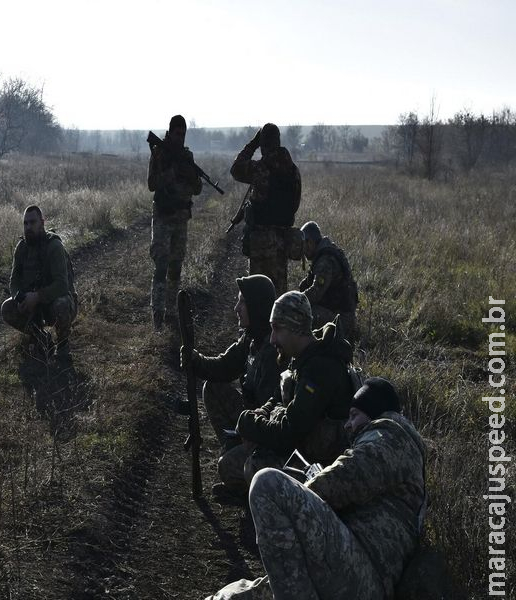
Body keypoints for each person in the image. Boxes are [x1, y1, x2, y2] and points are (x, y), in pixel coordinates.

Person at [205, 377, 426, 600]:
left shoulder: (390, 436)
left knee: (267, 483)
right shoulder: (393, 444)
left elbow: (337, 484)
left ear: (373, 412)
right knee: (234, 595)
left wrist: (298, 495)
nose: (348, 425)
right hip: (346, 566)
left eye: (354, 415)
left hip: (361, 572)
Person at [180, 275, 282, 503]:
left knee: (226, 467)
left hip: (267, 434)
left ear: (256, 306)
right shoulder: (251, 339)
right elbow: (223, 368)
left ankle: (252, 486)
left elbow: (275, 418)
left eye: (242, 302)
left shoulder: (271, 354)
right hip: (251, 422)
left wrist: (252, 438)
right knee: (213, 388)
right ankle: (234, 447)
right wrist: (195, 360)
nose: (236, 308)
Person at [235, 291, 353, 487]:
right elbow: (279, 396)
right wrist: (262, 412)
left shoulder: (319, 370)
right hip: (302, 450)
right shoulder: (302, 358)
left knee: (253, 466)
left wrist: (247, 423)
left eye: (277, 329)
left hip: (324, 468)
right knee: (233, 462)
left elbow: (288, 434)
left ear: (297, 329)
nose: (272, 339)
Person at [230, 123, 301, 296]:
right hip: (283, 240)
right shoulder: (293, 171)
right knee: (278, 293)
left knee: (258, 294)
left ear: (263, 145)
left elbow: (236, 169)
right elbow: (295, 204)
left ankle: (257, 323)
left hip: (261, 240)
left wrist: (251, 145)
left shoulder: (261, 168)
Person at [147, 114, 203, 331]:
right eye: (177, 133)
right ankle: (158, 316)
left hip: (180, 218)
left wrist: (190, 175)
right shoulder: (159, 153)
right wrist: (170, 173)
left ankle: (171, 312)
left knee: (175, 268)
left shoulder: (187, 156)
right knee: (160, 266)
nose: (180, 137)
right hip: (162, 216)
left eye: (183, 133)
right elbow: (151, 184)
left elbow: (197, 189)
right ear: (170, 132)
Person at [1, 205, 78, 359]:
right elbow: (14, 281)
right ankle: (41, 337)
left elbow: (62, 285)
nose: (28, 227)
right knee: (7, 308)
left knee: (61, 304)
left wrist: (37, 297)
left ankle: (62, 344)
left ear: (42, 223)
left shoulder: (54, 246)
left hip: (57, 303)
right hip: (34, 306)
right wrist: (19, 298)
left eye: (32, 222)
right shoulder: (22, 248)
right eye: (25, 223)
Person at [299, 220, 359, 344]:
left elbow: (316, 292)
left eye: (303, 245)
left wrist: (296, 301)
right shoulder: (324, 254)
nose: (303, 251)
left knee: (306, 313)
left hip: (342, 319)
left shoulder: (325, 261)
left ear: (309, 242)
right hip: (337, 312)